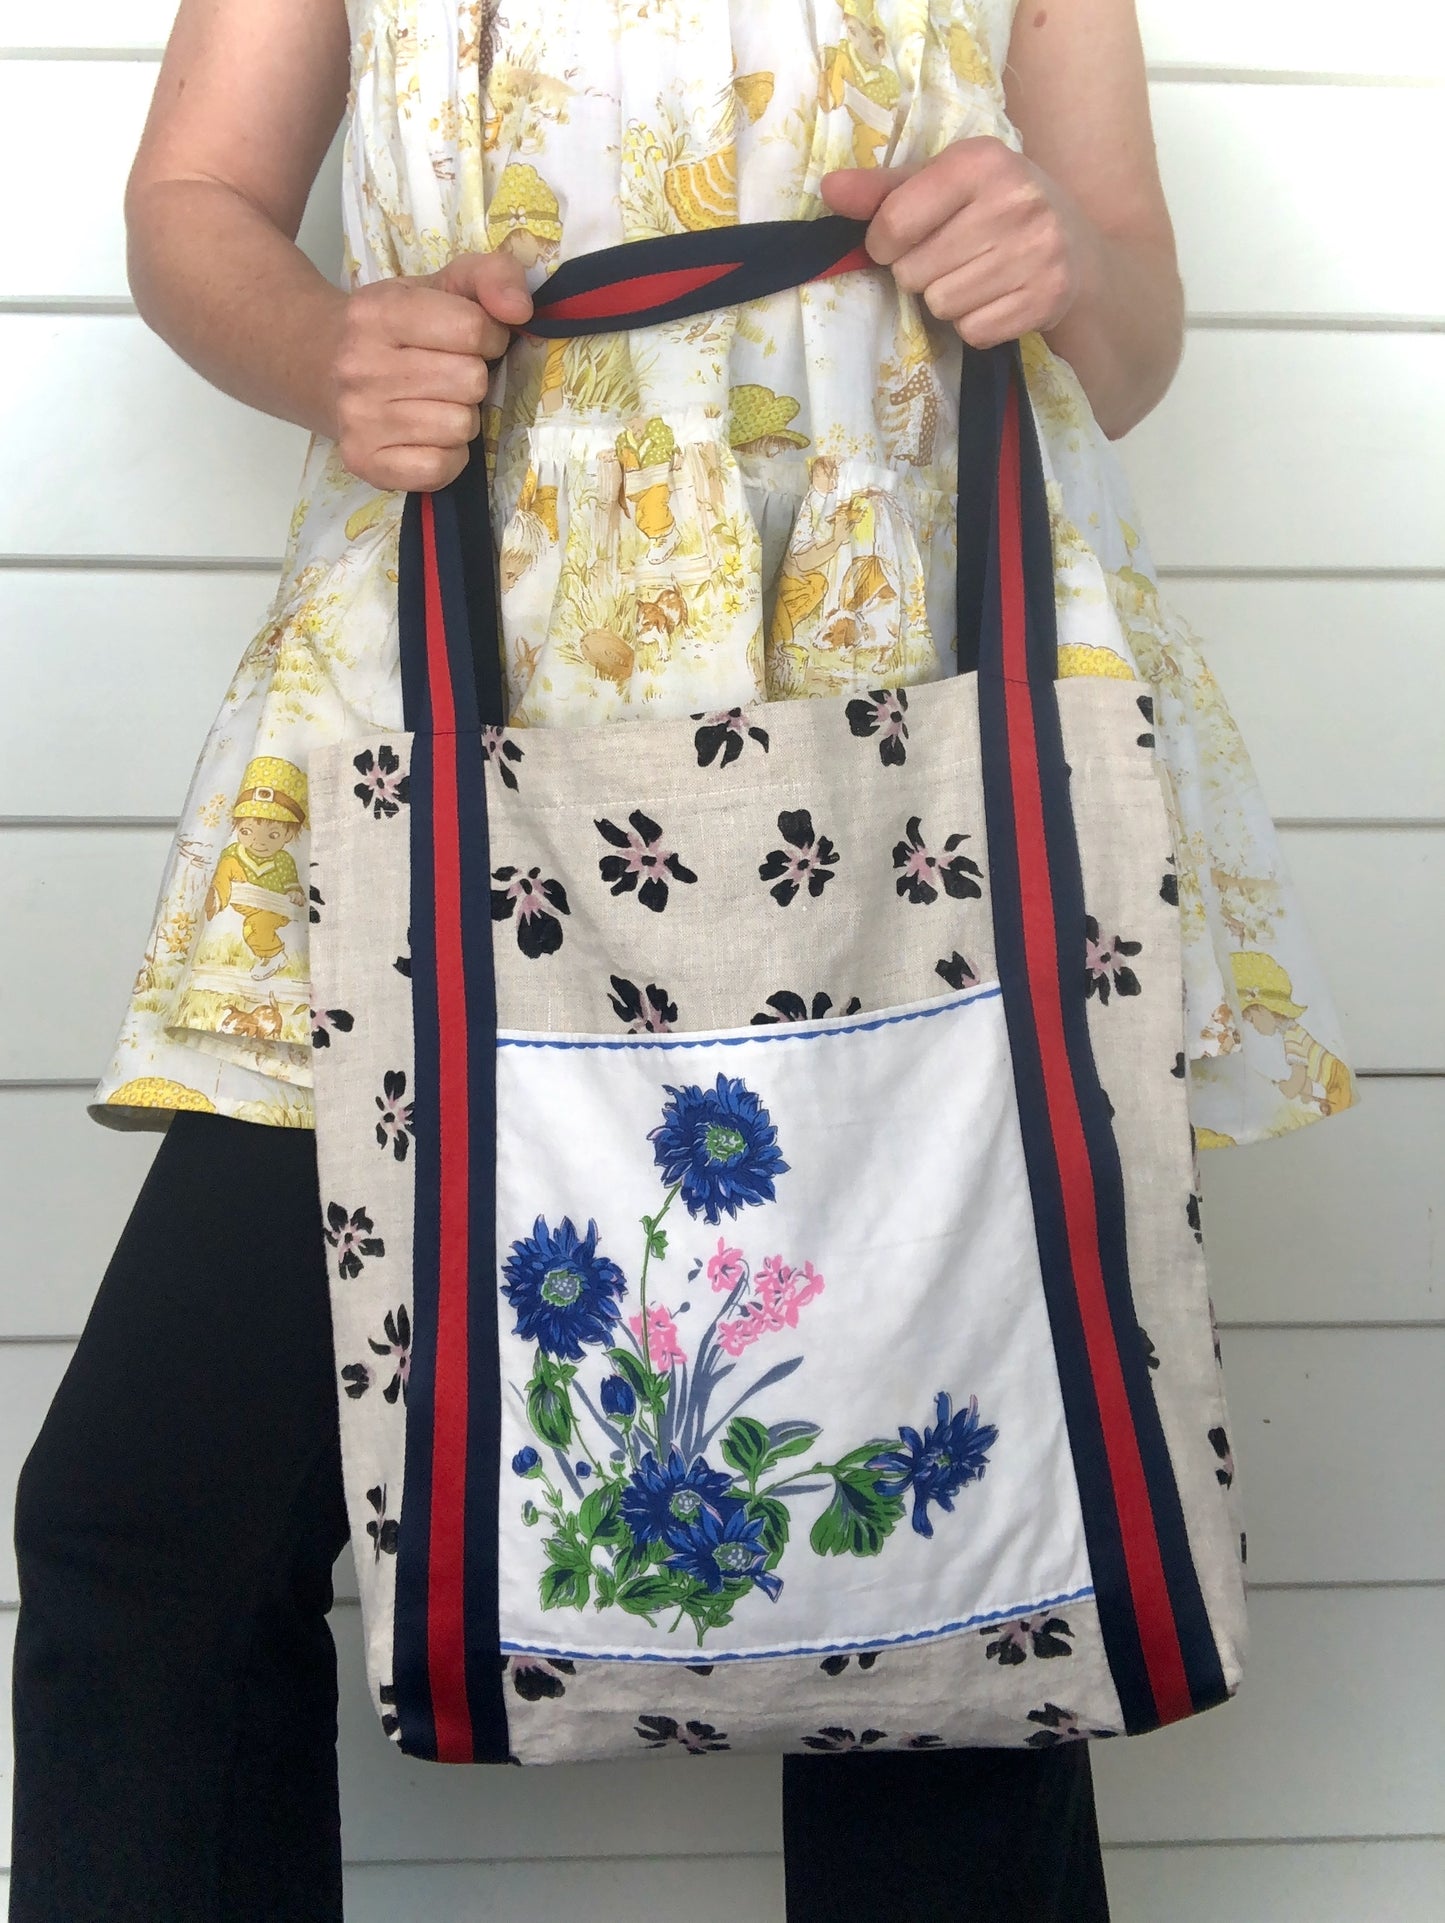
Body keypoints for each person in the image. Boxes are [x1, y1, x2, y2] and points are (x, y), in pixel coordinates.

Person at [8, 3, 1359, 1919]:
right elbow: (197, 198)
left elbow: (1124, 340)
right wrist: (321, 346)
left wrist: (1049, 247)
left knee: (945, 1579)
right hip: (455, 689)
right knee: (150, 1536)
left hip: (912, 702)